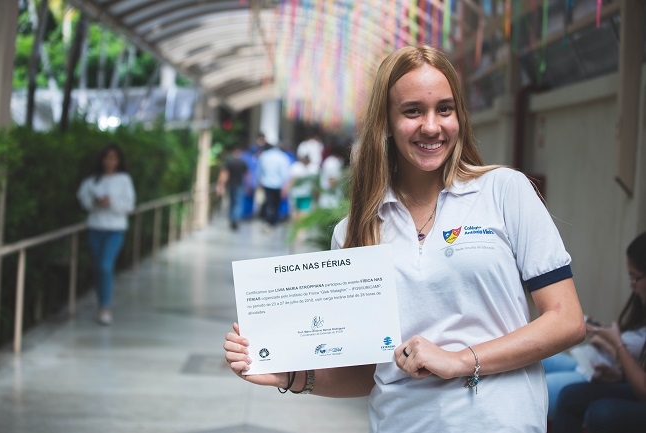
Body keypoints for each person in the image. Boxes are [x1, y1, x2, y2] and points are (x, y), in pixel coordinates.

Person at [224, 45, 585, 432]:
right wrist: (289, 376)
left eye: (444, 109)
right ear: (386, 122)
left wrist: (461, 359)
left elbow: (566, 320)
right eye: (413, 111)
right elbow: (368, 372)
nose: (432, 126)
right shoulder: (354, 231)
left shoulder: (503, 191)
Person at [543, 232, 646, 421]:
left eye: (635, 278)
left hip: (596, 373)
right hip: (594, 366)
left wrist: (615, 343)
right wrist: (606, 341)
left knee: (535, 388)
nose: (632, 286)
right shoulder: (639, 311)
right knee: (539, 359)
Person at [77, 144, 136, 325]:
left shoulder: (124, 179)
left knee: (105, 266)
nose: (109, 161)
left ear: (118, 161)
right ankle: (101, 301)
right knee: (98, 268)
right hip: (96, 228)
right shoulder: (93, 180)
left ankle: (105, 306)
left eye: (113, 158)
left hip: (115, 229)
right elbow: (82, 198)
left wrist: (111, 203)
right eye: (107, 157)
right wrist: (96, 203)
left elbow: (130, 205)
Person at [256, 142, 291, 229]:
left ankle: (267, 219)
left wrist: (259, 181)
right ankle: (273, 220)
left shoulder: (265, 155)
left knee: (268, 202)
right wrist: (285, 186)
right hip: (278, 184)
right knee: (276, 203)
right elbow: (285, 173)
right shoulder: (283, 157)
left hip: (266, 183)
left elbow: (260, 169)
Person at [216, 144, 248, 230]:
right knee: (238, 203)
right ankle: (235, 219)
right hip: (239, 184)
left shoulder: (229, 161)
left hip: (231, 184)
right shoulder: (242, 162)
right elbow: (247, 175)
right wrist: (248, 185)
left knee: (232, 202)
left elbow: (224, 174)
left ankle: (232, 219)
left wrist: (221, 185)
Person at [284, 153, 319, 222]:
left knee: (297, 212)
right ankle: (300, 229)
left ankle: (298, 229)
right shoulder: (313, 168)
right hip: (304, 194)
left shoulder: (296, 167)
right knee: (302, 213)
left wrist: (287, 189)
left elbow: (292, 180)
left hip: (299, 194)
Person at [317, 141, 345, 209]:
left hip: (329, 200)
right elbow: (331, 182)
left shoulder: (329, 161)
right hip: (331, 202)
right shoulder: (333, 163)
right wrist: (345, 178)